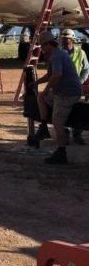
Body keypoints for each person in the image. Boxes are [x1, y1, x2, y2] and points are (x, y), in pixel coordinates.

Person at [35, 30, 82, 165]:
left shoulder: (56, 55)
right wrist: (36, 82)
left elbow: (57, 75)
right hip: (61, 91)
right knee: (41, 98)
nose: (42, 49)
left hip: (68, 93)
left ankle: (61, 152)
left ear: (49, 44)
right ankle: (43, 126)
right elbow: (50, 75)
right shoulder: (55, 55)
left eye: (43, 46)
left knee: (57, 122)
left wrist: (46, 90)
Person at [60, 28, 89, 145]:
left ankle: (77, 134)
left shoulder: (80, 53)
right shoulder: (59, 53)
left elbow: (86, 70)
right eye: (63, 39)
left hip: (75, 88)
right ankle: (65, 134)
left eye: (66, 38)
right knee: (63, 112)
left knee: (77, 111)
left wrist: (80, 82)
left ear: (72, 40)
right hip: (62, 88)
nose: (64, 41)